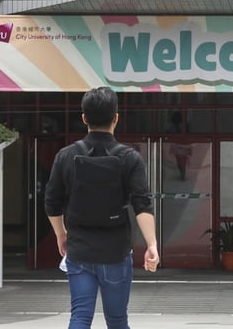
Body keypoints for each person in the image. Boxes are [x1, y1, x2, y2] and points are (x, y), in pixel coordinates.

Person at [44, 86, 160, 329]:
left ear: (84, 118)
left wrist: (61, 235)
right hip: (116, 253)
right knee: (117, 321)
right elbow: (142, 203)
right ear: (116, 118)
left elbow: (52, 202)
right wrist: (152, 245)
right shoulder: (130, 158)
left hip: (79, 251)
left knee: (80, 317)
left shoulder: (65, 156)